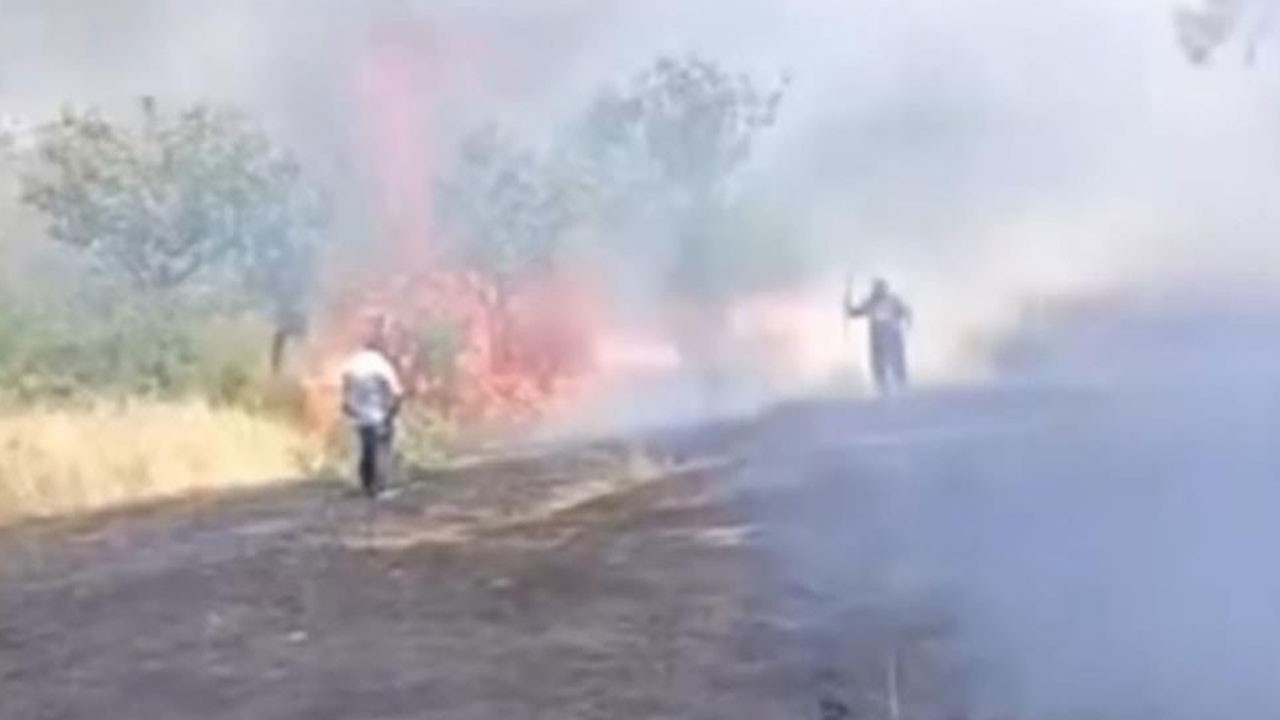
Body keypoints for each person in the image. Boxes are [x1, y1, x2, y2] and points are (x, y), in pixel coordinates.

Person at [340, 333, 404, 498]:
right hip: (377, 410)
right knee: (381, 447)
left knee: (366, 445)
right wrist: (393, 412)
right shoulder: (381, 363)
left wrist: (347, 403)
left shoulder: (354, 361)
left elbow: (345, 380)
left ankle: (366, 483)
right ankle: (379, 486)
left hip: (359, 410)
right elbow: (396, 390)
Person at [846, 277, 913, 396]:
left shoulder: (892, 300)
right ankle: (882, 388)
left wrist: (907, 322)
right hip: (879, 337)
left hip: (892, 335)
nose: (879, 291)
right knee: (879, 364)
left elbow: (905, 312)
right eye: (878, 288)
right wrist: (848, 304)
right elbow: (854, 313)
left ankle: (901, 386)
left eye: (880, 288)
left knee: (896, 362)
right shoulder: (871, 302)